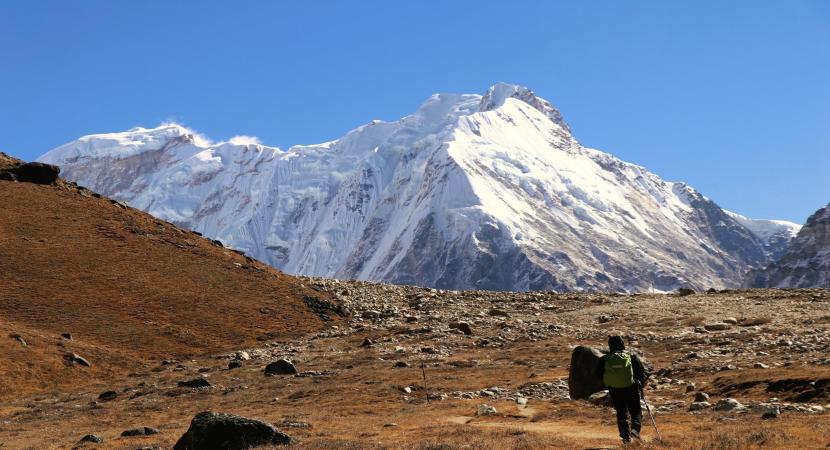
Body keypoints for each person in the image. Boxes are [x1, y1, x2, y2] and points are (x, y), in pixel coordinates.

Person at [595, 335, 649, 444]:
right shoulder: (631, 357)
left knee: (621, 412)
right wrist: (641, 384)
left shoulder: (604, 359)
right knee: (636, 411)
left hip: (614, 389)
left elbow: (598, 374)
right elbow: (642, 374)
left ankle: (625, 437)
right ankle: (635, 429)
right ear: (622, 344)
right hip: (631, 387)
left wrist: (608, 384)